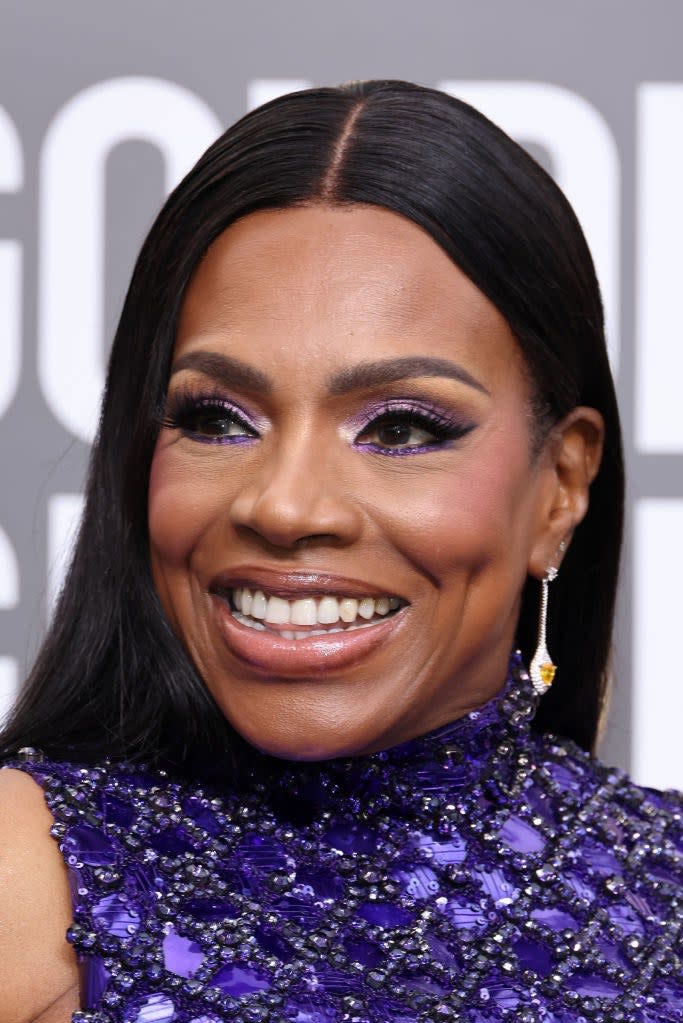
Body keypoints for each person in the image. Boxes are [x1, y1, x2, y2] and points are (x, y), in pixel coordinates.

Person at [0, 79, 681, 1023]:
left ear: (560, 488)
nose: (282, 504)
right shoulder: (25, 877)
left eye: (402, 428)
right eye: (217, 417)